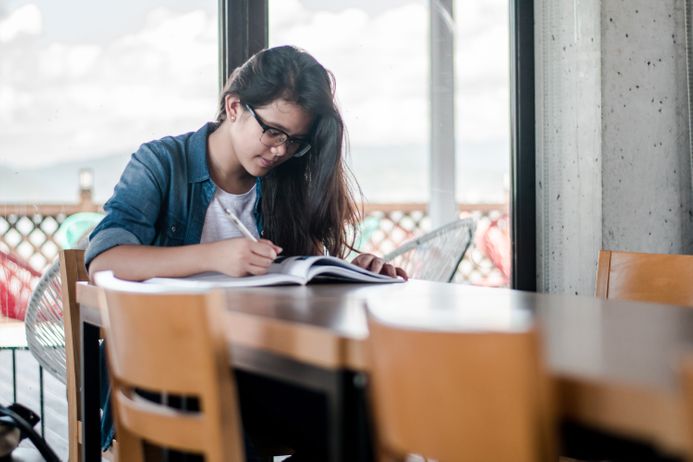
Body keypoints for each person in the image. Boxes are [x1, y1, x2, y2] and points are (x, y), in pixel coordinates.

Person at [85, 45, 407, 460]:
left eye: (295, 141)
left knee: (363, 414)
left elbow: (294, 278)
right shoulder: (162, 163)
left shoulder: (284, 182)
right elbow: (104, 261)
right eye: (272, 131)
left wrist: (348, 272)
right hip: (166, 367)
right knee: (204, 405)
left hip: (258, 367)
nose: (280, 151)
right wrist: (214, 257)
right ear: (234, 106)